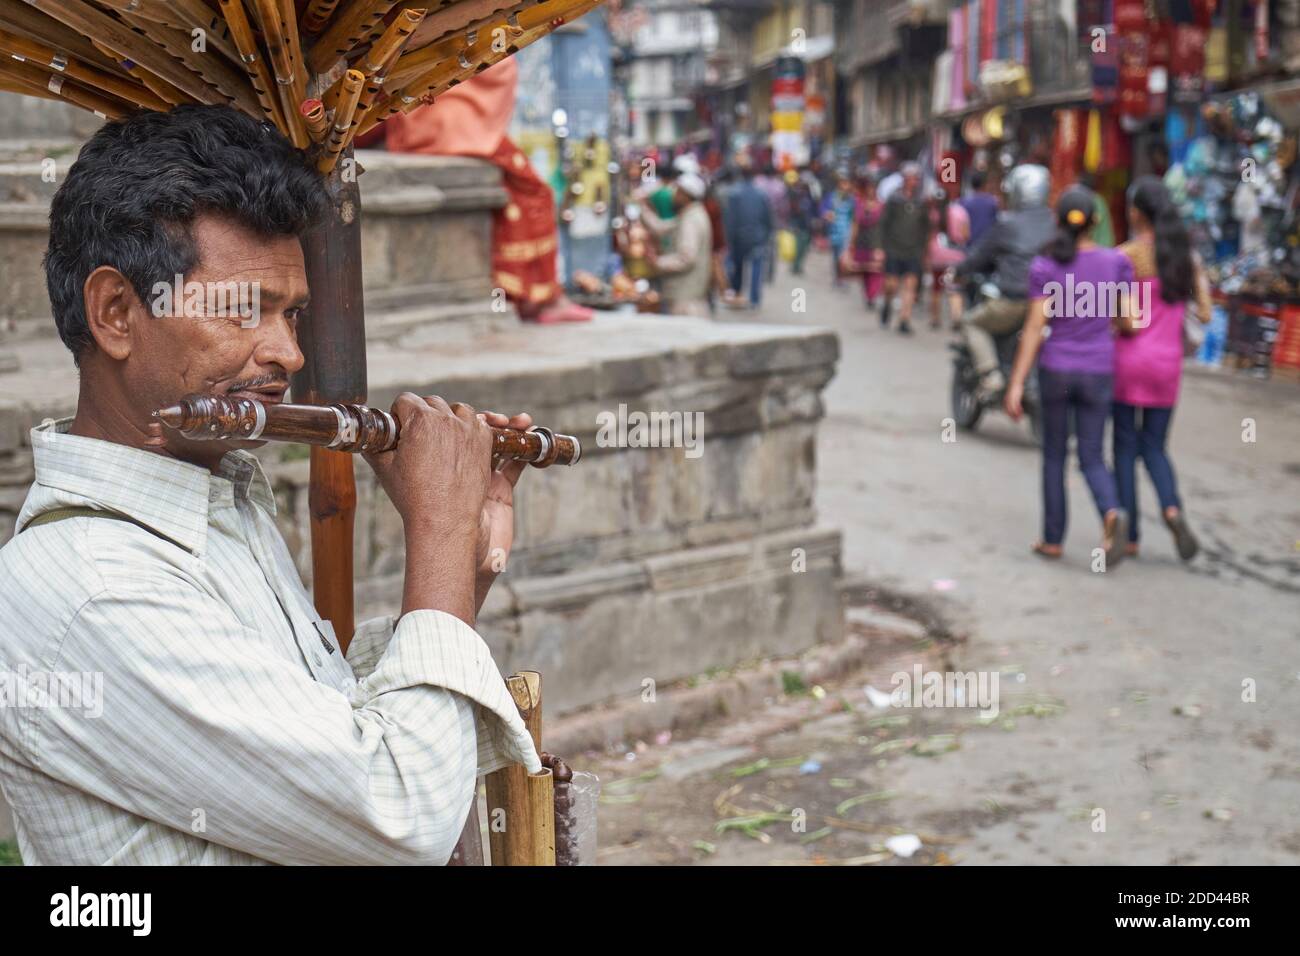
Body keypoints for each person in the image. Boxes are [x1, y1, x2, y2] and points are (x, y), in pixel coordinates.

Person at [0, 106, 540, 865]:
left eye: (292, 315)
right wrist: (438, 535)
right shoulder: (92, 587)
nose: (287, 353)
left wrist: (463, 562)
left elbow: (332, 744)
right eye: (242, 310)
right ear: (117, 313)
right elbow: (399, 813)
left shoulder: (217, 496)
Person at [377, 58, 591, 323]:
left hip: (423, 123)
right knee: (535, 191)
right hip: (449, 124)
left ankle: (530, 295)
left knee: (520, 190)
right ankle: (540, 297)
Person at [1004, 185, 1132, 566]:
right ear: (1095, 222)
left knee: (1054, 455)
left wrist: (1014, 383)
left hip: (1056, 369)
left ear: (1057, 220)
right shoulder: (1116, 263)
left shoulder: (1045, 266)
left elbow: (1033, 328)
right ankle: (1111, 512)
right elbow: (1130, 320)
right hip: (1098, 370)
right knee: (1093, 453)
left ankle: (1053, 539)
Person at [1113, 176, 1212, 561]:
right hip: (1166, 366)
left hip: (1128, 361)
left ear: (1137, 212)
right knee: (1154, 445)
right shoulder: (1186, 258)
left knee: (1123, 446)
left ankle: (1131, 533)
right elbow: (1204, 312)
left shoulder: (1126, 257)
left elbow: (1124, 320)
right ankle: (1172, 509)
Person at [956, 163, 1057, 397]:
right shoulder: (1055, 223)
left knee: (970, 322)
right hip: (1052, 304)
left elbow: (979, 256)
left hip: (1015, 302)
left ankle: (990, 374)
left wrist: (960, 269)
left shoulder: (1007, 222)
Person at [646, 172, 714, 317]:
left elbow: (687, 258)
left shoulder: (691, 220)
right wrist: (641, 207)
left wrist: (658, 262)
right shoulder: (691, 214)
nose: (673, 196)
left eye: (677, 192)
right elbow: (661, 228)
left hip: (686, 300)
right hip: (688, 297)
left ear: (685, 195)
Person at [879, 162, 929, 334]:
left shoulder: (921, 202)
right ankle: (887, 304)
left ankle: (904, 319)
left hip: (913, 251)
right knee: (891, 285)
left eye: (916, 178)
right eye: (911, 178)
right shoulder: (894, 200)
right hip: (894, 248)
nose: (914, 182)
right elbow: (883, 224)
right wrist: (880, 247)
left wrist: (925, 251)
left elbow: (925, 229)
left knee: (910, 286)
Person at [723, 163, 773, 309]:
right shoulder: (761, 194)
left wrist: (729, 239)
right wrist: (767, 234)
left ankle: (737, 294)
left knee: (738, 267)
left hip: (739, 238)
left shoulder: (734, 194)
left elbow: (730, 219)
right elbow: (767, 217)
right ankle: (755, 299)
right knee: (756, 269)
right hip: (757, 237)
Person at [927, 188, 969, 330]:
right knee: (954, 289)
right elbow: (965, 234)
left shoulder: (932, 214)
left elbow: (927, 235)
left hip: (937, 255)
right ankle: (956, 316)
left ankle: (935, 318)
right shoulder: (959, 212)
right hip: (956, 256)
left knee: (936, 288)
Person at [846, 172, 885, 309]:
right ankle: (868, 295)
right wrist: (851, 243)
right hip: (862, 242)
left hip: (876, 242)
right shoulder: (860, 205)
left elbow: (884, 226)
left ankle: (872, 296)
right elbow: (855, 224)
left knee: (876, 271)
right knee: (864, 271)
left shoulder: (882, 206)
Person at [823, 171, 858, 289]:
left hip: (846, 232)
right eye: (843, 183)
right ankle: (837, 277)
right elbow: (823, 209)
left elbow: (855, 216)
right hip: (834, 232)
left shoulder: (852, 199)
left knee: (843, 256)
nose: (845, 186)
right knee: (835, 256)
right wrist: (826, 215)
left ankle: (842, 278)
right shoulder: (832, 196)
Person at [786, 172, 816, 277]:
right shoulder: (796, 194)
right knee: (798, 246)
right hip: (799, 225)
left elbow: (813, 208)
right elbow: (793, 209)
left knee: (804, 248)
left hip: (807, 225)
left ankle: (799, 266)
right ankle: (795, 266)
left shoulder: (809, 195)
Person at [960, 169, 1000, 247]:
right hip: (986, 247)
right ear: (984, 184)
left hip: (968, 245)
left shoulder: (962, 202)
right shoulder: (993, 202)